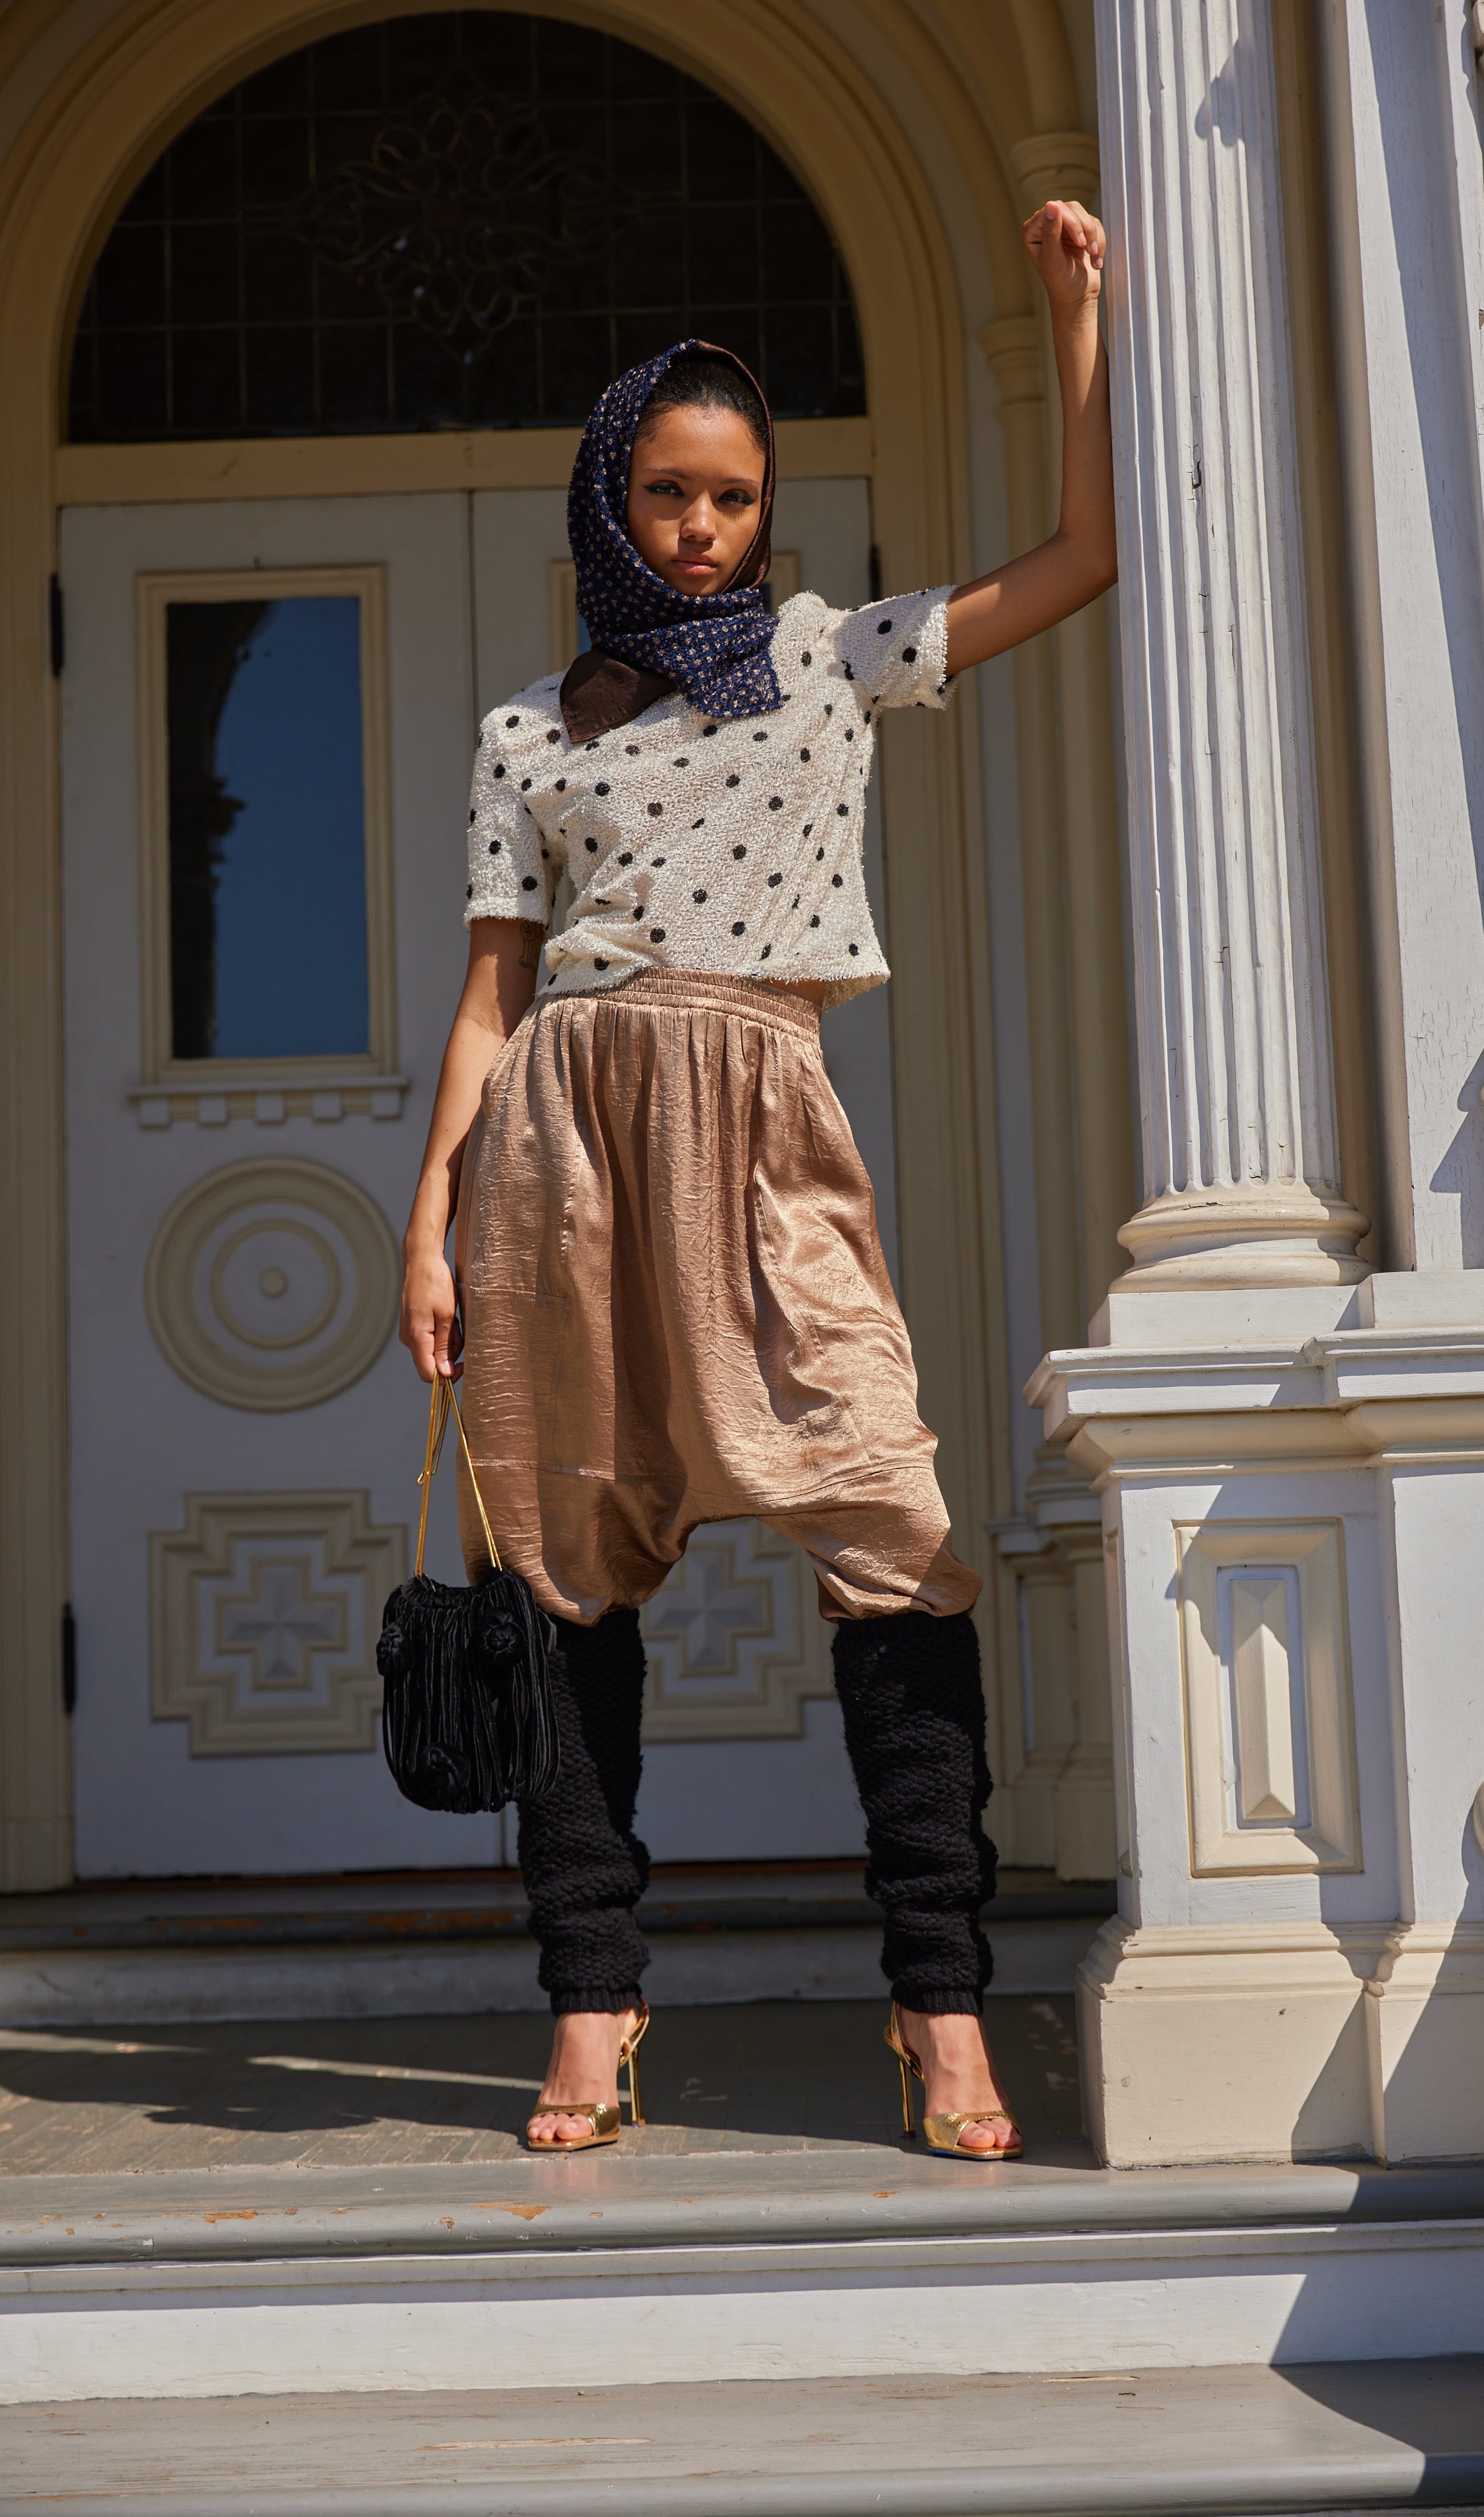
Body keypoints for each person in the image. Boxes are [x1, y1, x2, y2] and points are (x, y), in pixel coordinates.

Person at [400, 199, 1115, 2158]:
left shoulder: (825, 657)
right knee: (556, 1571)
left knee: (887, 1511)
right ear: (605, 499)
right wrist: (428, 1225)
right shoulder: (523, 733)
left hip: (764, 1100)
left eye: (729, 495)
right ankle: (593, 2002)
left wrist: (1073, 328)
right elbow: (488, 995)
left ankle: (940, 2005)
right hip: (551, 1140)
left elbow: (1084, 559)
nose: (701, 525)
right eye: (666, 491)